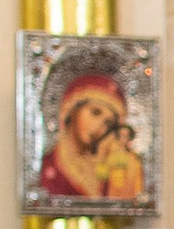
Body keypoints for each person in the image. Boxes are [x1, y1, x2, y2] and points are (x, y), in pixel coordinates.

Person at [36, 71, 146, 204]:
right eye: (95, 112)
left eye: (108, 123)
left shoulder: (112, 169)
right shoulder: (47, 168)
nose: (99, 127)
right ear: (71, 109)